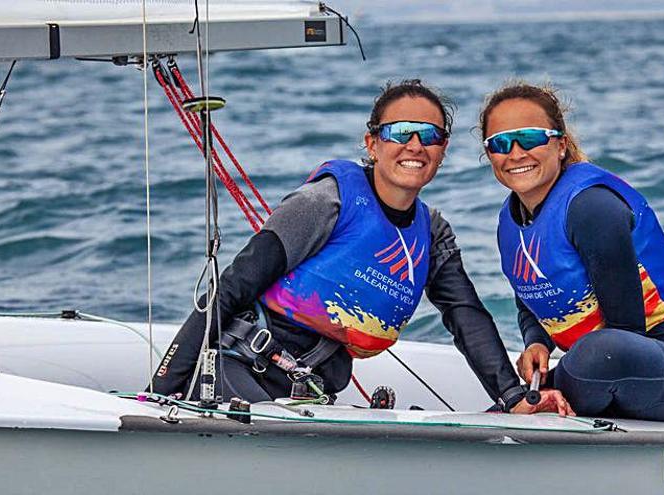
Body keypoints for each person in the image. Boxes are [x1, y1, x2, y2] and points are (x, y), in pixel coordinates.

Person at [152, 79, 569, 415]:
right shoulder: (327, 200)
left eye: (430, 136)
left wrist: (514, 398)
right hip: (242, 367)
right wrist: (163, 388)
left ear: (442, 151)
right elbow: (231, 288)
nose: (415, 146)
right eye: (399, 133)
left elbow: (467, 318)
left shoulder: (434, 234)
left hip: (309, 391)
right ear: (372, 144)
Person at [479, 82, 664, 421]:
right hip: (597, 372)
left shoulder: (590, 208)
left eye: (530, 138)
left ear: (559, 145)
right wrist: (537, 343)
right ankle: (525, 407)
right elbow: (530, 299)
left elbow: (624, 335)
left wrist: (539, 389)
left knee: (598, 352)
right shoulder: (511, 222)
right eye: (500, 143)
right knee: (589, 356)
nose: (515, 153)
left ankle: (514, 410)